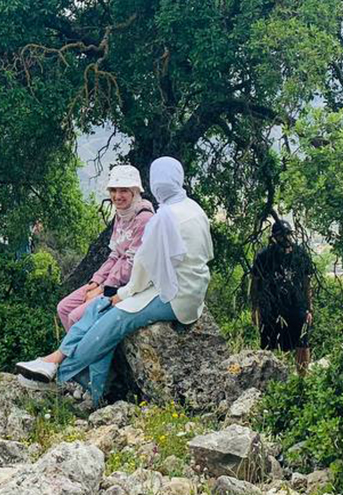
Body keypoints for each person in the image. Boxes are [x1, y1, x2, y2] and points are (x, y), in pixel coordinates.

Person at [16, 157, 212, 406]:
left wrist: (122, 294)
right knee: (101, 307)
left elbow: (142, 267)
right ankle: (54, 361)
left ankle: (62, 373)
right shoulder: (193, 208)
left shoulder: (163, 218)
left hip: (174, 295)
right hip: (191, 289)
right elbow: (206, 253)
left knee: (111, 320)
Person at [55, 165, 154, 331]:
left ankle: (82, 354)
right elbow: (114, 254)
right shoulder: (121, 215)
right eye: (113, 190)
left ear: (134, 191)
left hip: (130, 284)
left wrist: (102, 289)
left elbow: (131, 263)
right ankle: (76, 351)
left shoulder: (143, 219)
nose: (117, 196)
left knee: (75, 317)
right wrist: (96, 280)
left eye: (123, 190)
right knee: (64, 308)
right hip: (111, 281)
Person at [249, 218, 314, 376]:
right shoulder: (264, 256)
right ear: (274, 238)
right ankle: (268, 383)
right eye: (280, 236)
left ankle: (302, 379)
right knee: (268, 345)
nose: (285, 239)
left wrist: (309, 308)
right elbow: (255, 283)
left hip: (296, 305)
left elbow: (307, 283)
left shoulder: (300, 254)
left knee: (302, 343)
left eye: (287, 235)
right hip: (272, 307)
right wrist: (255, 308)